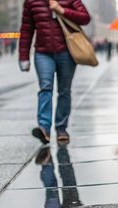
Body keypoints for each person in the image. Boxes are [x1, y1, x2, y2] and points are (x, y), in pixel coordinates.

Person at [19, 0, 91, 144]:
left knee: (64, 91)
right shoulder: (31, 2)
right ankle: (44, 128)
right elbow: (27, 29)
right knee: (45, 87)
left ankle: (61, 128)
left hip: (67, 52)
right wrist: (23, 56)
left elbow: (85, 18)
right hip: (43, 53)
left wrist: (62, 10)